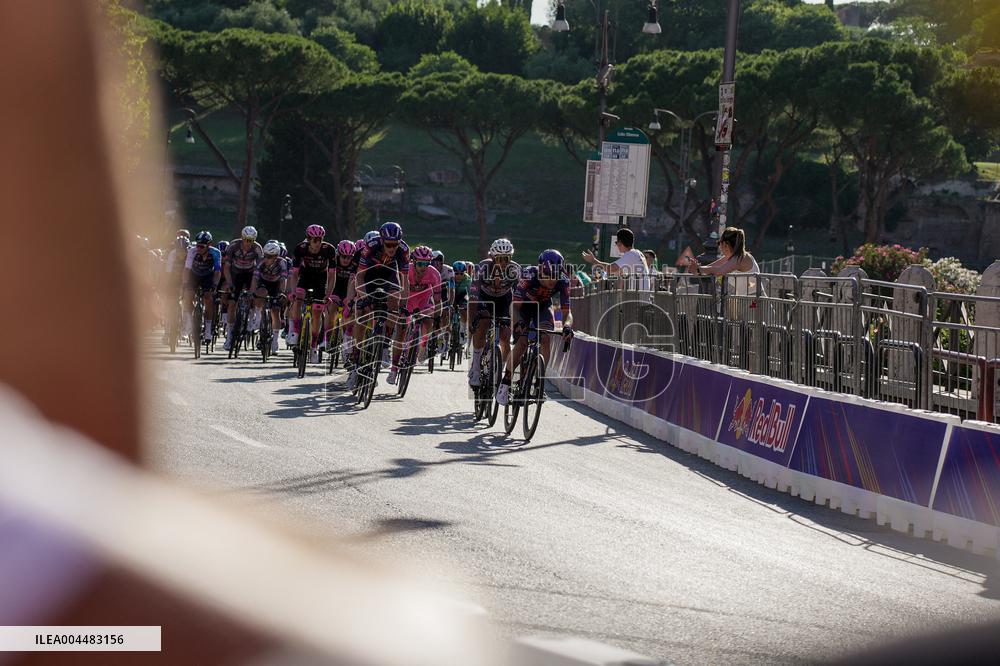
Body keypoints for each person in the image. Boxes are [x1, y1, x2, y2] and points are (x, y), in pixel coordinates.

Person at [497, 249, 574, 407]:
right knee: (523, 342)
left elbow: (567, 312)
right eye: (548, 276)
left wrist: (567, 326)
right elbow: (514, 307)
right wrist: (518, 323)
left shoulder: (564, 281)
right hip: (522, 308)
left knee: (545, 338)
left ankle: (539, 381)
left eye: (555, 277)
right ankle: (506, 382)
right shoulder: (528, 275)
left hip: (543, 307)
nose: (552, 281)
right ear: (540, 271)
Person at [347, 222, 411, 391]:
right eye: (389, 245)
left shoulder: (403, 250)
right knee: (362, 313)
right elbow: (359, 277)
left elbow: (405, 280)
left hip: (389, 274)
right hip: (368, 276)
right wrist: (364, 297)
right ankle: (355, 364)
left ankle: (384, 346)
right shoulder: (371, 246)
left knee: (394, 301)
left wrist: (403, 304)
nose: (392, 248)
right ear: (382, 240)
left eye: (395, 244)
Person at [468, 238, 519, 389]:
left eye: (507, 258)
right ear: (492, 258)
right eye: (500, 259)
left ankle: (500, 370)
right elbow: (473, 297)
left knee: (505, 335)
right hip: (484, 298)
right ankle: (476, 367)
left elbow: (519, 299)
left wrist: (517, 321)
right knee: (482, 323)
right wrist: (471, 322)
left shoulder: (515, 270)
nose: (503, 262)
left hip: (504, 300)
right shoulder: (482, 267)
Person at [388, 245, 440, 385]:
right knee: (401, 329)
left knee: (429, 321)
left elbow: (437, 298)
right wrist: (400, 307)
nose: (424, 267)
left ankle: (422, 346)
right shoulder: (406, 271)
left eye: (427, 263)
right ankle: (393, 369)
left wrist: (438, 315)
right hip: (407, 299)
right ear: (414, 262)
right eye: (420, 263)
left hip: (424, 301)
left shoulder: (434, 274)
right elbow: (398, 291)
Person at [287, 224, 337, 362]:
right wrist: (293, 291)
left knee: (317, 312)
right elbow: (295, 274)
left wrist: (328, 294)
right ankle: (295, 332)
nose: (318, 243)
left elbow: (332, 276)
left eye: (320, 239)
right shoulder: (301, 248)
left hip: (321, 278)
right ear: (308, 239)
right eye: (315, 240)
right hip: (306, 276)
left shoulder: (329, 250)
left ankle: (314, 345)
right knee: (298, 300)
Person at [223, 226, 263, 351]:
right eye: (245, 240)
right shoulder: (233, 246)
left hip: (250, 273)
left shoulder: (257, 248)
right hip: (236, 274)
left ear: (254, 240)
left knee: (253, 294)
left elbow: (259, 269)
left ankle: (252, 316)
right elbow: (226, 267)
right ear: (242, 238)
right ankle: (229, 336)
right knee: (232, 303)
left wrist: (253, 289)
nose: (247, 243)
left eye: (250, 240)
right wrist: (229, 284)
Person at [249, 241, 288, 355]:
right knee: (260, 293)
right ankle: (258, 316)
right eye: (265, 255)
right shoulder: (261, 262)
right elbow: (255, 278)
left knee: (275, 312)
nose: (266, 258)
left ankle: (275, 342)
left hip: (276, 285)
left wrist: (281, 292)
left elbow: (283, 279)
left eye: (269, 257)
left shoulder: (282, 263)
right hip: (264, 282)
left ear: (276, 257)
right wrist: (252, 292)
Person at [580, 227, 651, 291]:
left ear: (620, 242)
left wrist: (594, 260)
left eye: (616, 242)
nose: (616, 245)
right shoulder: (637, 253)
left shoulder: (631, 254)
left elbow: (612, 268)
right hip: (640, 298)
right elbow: (614, 272)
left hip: (637, 299)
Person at [183, 231, 222, 342]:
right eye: (197, 245)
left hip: (208, 276)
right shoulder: (192, 251)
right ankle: (189, 323)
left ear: (209, 245)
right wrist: (185, 283)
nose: (198, 248)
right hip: (194, 275)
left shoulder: (216, 253)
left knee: (208, 298)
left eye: (201, 246)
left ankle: (208, 330)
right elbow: (186, 269)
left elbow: (218, 272)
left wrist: (214, 285)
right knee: (188, 296)